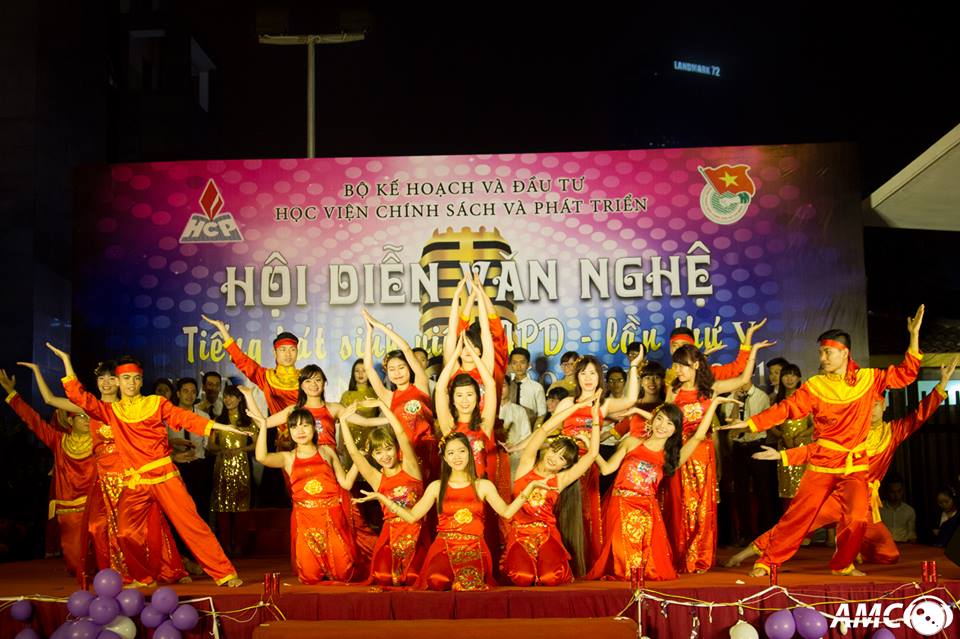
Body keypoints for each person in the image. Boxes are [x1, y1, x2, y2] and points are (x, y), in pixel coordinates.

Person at [719, 306, 924, 577]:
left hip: (854, 464)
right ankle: (767, 562)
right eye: (821, 353)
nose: (823, 358)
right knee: (799, 516)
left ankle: (843, 565)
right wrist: (751, 423)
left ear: (844, 352)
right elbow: (786, 408)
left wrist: (913, 336)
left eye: (827, 352)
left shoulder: (869, 379)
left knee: (857, 516)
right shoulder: (816, 386)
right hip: (823, 461)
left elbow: (906, 374)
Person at [726, 355, 956, 568]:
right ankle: (745, 554)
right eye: (868, 405)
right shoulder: (850, 432)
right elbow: (818, 449)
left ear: (885, 405)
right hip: (839, 496)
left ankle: (855, 548)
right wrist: (783, 455)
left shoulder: (893, 432)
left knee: (889, 554)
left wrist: (941, 386)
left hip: (865, 504)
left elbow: (918, 416)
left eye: (876, 405)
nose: (872, 411)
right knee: (795, 524)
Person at [48, 344, 243, 587]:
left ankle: (225, 573)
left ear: (141, 381)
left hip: (164, 475)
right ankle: (143, 577)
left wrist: (221, 426)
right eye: (126, 378)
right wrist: (66, 361)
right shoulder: (112, 411)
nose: (131, 383)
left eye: (136, 378)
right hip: (136, 481)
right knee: (125, 532)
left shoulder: (155, 403)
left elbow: (184, 417)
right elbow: (80, 398)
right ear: (118, 382)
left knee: (191, 525)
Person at [19, 361, 188, 585]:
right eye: (101, 379)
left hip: (129, 476)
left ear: (119, 382)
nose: (106, 383)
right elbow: (50, 399)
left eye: (111, 379)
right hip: (104, 479)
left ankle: (155, 569)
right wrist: (38, 370)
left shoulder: (128, 409)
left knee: (140, 528)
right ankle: (114, 573)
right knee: (97, 527)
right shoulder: (90, 408)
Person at [354, 432, 552, 591]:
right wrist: (383, 498)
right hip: (444, 546)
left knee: (469, 585)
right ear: (445, 458)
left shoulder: (483, 485)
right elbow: (412, 517)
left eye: (461, 451)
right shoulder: (436, 487)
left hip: (473, 546)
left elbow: (507, 513)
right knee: (436, 580)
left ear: (469, 453)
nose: (457, 457)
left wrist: (530, 488)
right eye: (451, 453)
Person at [588, 396, 736, 581]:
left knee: (648, 568)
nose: (662, 426)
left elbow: (698, 436)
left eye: (669, 423)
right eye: (659, 419)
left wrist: (713, 404)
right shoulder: (632, 442)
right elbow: (606, 469)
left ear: (675, 430)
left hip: (647, 509)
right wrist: (592, 447)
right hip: (620, 504)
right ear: (652, 420)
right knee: (623, 564)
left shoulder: (671, 457)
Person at [663, 340, 769, 573]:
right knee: (679, 504)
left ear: (696, 366)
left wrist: (752, 351)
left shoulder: (710, 389)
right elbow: (665, 421)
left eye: (683, 365)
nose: (678, 370)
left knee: (701, 505)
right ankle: (679, 557)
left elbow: (743, 378)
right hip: (678, 452)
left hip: (702, 452)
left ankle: (700, 558)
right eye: (676, 365)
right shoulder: (673, 390)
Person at [551, 351, 645, 571]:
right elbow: (548, 429)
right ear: (577, 376)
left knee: (587, 514)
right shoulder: (567, 402)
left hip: (590, 464)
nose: (588, 378)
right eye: (583, 373)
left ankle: (585, 562)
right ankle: (562, 561)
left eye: (592, 373)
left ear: (599, 377)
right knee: (563, 511)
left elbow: (630, 399)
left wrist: (633, 366)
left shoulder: (603, 405)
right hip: (566, 465)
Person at [1, 369, 96, 578]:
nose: (85, 421)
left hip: (96, 505)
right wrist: (12, 394)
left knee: (103, 552)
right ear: (70, 421)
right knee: (75, 563)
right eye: (80, 417)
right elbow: (33, 420)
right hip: (68, 506)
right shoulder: (59, 441)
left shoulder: (100, 440)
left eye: (88, 417)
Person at [502, 393, 601, 586]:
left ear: (565, 466)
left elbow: (592, 455)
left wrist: (595, 417)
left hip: (546, 534)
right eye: (554, 451)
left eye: (561, 459)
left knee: (551, 577)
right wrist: (575, 408)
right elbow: (544, 430)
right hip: (520, 533)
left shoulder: (560, 480)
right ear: (547, 449)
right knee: (522, 577)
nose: (554, 458)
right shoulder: (526, 465)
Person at [254, 408, 358, 583]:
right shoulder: (288, 458)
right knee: (310, 576)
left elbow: (346, 483)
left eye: (305, 425)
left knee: (344, 574)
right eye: (294, 427)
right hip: (306, 520)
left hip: (332, 517)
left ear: (314, 428)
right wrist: (264, 426)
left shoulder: (327, 451)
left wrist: (358, 460)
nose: (300, 431)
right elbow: (262, 457)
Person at [339, 400, 427, 586]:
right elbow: (354, 453)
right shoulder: (376, 478)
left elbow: (401, 433)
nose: (385, 456)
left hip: (416, 531)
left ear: (396, 448)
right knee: (384, 578)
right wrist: (344, 421)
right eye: (378, 452)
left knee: (413, 577)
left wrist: (381, 405)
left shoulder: (410, 467)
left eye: (389, 449)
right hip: (390, 535)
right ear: (372, 455)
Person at [363, 309, 437, 482]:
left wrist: (380, 326)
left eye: (401, 367)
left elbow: (406, 349)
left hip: (429, 450)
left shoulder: (421, 385)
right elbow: (368, 369)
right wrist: (370, 333)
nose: (397, 373)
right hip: (404, 453)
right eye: (392, 369)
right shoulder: (388, 396)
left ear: (410, 368)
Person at [202, 315, 300, 445]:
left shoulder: (306, 378)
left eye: (292, 349)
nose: (288, 354)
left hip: (308, 433)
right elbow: (241, 359)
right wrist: (222, 329)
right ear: (275, 352)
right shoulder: (267, 377)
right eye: (283, 349)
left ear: (297, 352)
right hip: (282, 437)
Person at [723, 378, 775, 544]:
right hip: (739, 448)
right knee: (741, 492)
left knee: (763, 490)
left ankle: (765, 532)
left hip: (757, 445)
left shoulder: (761, 396)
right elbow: (729, 424)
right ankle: (745, 533)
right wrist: (737, 401)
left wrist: (745, 428)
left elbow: (764, 423)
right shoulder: (730, 398)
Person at [208, 385, 256, 554]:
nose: (227, 400)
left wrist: (241, 450)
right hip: (222, 464)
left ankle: (239, 545)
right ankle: (225, 546)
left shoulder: (248, 421)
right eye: (226, 396)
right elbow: (210, 445)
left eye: (231, 396)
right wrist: (222, 450)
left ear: (240, 399)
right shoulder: (218, 420)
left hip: (241, 464)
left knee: (242, 505)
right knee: (222, 505)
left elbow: (256, 444)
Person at [768, 364, 813, 507]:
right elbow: (771, 426)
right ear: (781, 379)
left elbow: (814, 425)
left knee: (805, 490)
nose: (789, 379)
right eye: (786, 375)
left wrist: (802, 436)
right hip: (784, 449)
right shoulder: (776, 400)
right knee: (786, 490)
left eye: (793, 375)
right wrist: (783, 436)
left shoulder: (807, 399)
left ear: (799, 378)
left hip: (803, 449)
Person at [499, 378, 532, 481]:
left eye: (503, 386)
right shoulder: (486, 411)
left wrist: (515, 447)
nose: (499, 389)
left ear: (510, 387)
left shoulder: (519, 411)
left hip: (513, 459)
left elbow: (526, 437)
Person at [508, 347, 547, 428]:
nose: (518, 366)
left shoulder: (537, 387)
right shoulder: (506, 388)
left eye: (522, 362)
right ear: (510, 365)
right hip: (508, 431)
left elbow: (542, 414)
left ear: (528, 365)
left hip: (530, 430)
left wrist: (535, 432)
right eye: (514, 363)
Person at [879, 476, 916, 543]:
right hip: (884, 545)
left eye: (899, 491)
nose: (896, 495)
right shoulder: (879, 509)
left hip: (904, 545)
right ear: (886, 492)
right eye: (892, 492)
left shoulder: (909, 510)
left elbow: (911, 534)